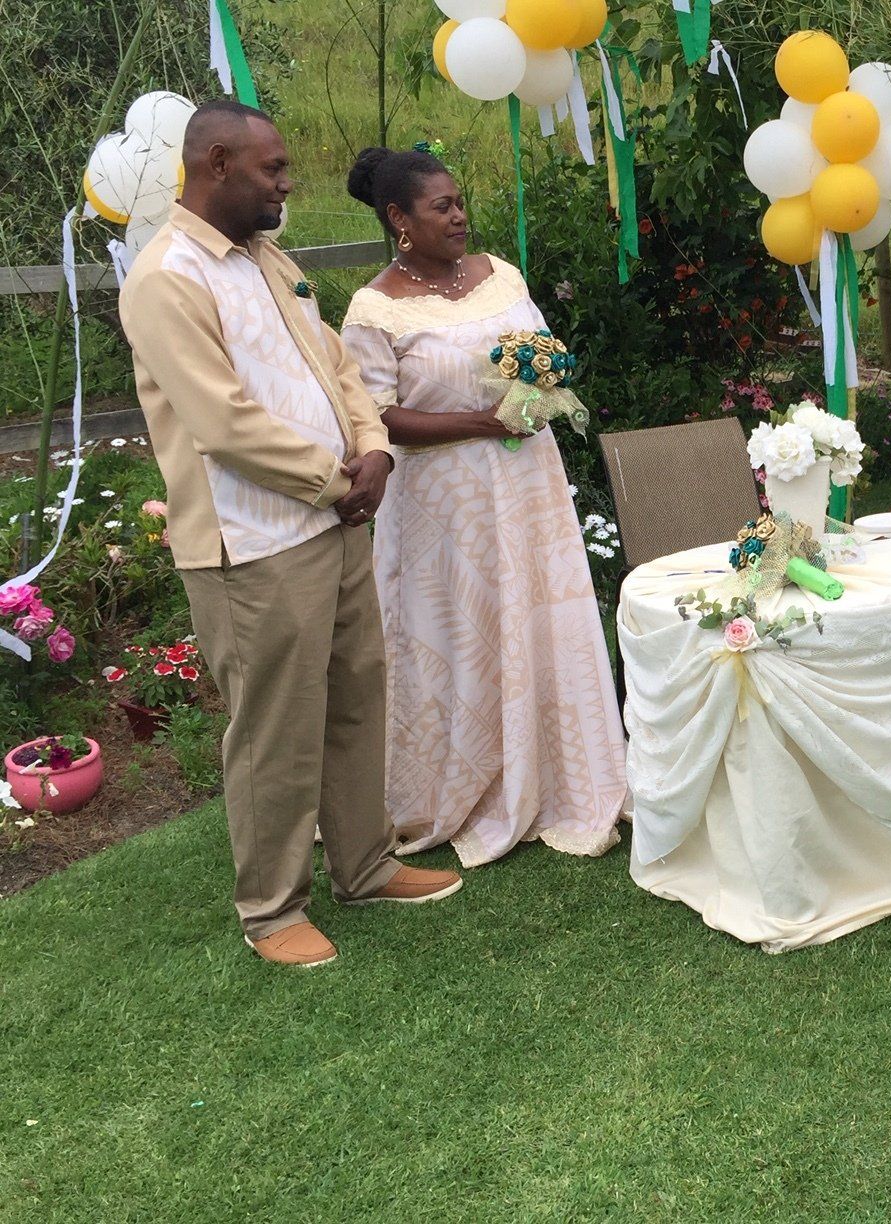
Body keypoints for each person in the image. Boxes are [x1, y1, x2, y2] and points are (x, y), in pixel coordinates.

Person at [119, 101, 462, 968]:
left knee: (355, 696)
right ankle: (272, 911)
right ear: (219, 163)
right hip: (251, 544)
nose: (286, 184)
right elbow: (223, 423)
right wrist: (333, 481)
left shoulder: (267, 259)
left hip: (336, 521)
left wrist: (375, 447)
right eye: (273, 170)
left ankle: (366, 864)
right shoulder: (167, 278)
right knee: (274, 727)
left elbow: (336, 367)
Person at [340, 146, 626, 867]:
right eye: (442, 206)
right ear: (399, 219)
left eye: (461, 201)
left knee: (535, 615)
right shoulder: (375, 308)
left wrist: (544, 383)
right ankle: (452, 783)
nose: (460, 215)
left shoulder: (501, 274)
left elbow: (541, 350)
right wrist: (483, 423)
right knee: (457, 630)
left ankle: (558, 772)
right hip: (441, 504)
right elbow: (375, 417)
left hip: (526, 482)